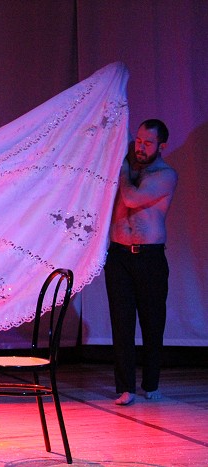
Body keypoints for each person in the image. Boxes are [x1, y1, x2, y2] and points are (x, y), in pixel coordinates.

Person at [105, 119, 178, 406]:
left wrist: (123, 169)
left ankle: (151, 383)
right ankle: (126, 388)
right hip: (119, 255)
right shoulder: (123, 168)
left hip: (150, 257)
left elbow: (133, 199)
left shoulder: (165, 174)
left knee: (152, 322)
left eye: (148, 143)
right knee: (121, 322)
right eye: (138, 140)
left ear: (161, 146)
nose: (140, 147)